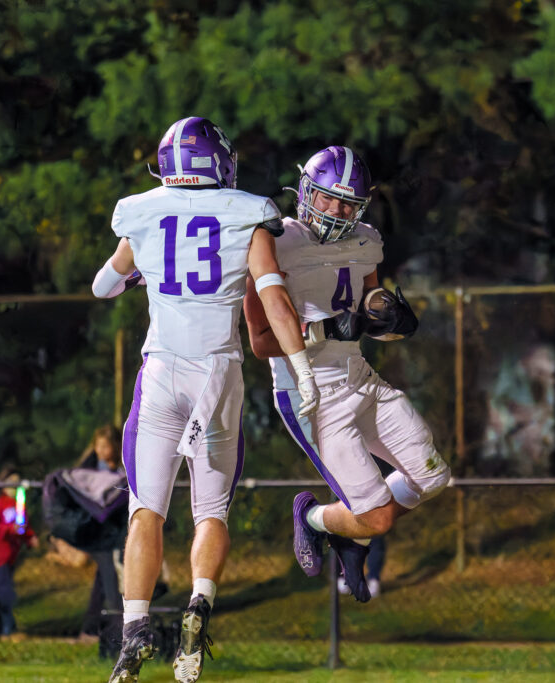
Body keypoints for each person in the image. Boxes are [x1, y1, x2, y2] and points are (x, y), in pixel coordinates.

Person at [93, 116, 319, 683]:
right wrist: (301, 369)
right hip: (218, 376)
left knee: (146, 510)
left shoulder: (140, 213)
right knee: (211, 511)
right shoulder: (249, 212)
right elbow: (273, 301)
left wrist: (141, 274)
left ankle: (135, 632)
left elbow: (103, 286)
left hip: (163, 370)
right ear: (219, 163)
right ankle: (198, 606)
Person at [243, 145, 450, 603]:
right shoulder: (272, 241)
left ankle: (341, 530)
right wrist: (323, 329)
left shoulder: (366, 240)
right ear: (304, 192)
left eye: (347, 203)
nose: (336, 210)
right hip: (311, 392)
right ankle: (317, 520)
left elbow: (368, 306)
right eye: (327, 198)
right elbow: (260, 342)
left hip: (361, 376)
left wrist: (392, 320)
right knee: (376, 518)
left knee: (433, 477)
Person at [75, 424, 126, 646]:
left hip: (117, 529)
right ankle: (119, 628)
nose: (102, 451)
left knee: (101, 580)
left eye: (106, 446)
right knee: (110, 576)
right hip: (98, 530)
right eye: (99, 446)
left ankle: (89, 629)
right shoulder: (91, 470)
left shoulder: (123, 467)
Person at [0, 469, 38, 639]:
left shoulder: (18, 504)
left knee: (2, 590)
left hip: (11, 554)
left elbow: (22, 525)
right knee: (6, 591)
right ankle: (8, 628)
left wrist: (30, 537)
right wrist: (7, 529)